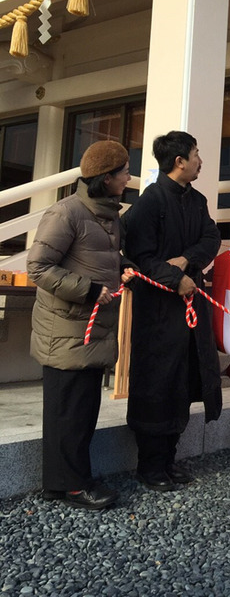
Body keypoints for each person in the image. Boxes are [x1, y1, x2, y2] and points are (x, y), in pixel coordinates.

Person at [28, 140, 131, 510]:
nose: (128, 177)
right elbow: (38, 267)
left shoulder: (106, 214)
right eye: (123, 171)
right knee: (70, 411)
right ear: (106, 178)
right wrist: (88, 290)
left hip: (86, 329)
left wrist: (122, 268)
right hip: (67, 328)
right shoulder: (66, 213)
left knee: (76, 410)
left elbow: (99, 256)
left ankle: (61, 483)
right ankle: (74, 486)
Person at [124, 130, 222, 492]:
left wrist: (187, 260)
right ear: (179, 161)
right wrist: (173, 278)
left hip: (189, 302)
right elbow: (138, 256)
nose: (200, 160)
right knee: (157, 382)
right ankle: (149, 465)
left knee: (182, 379)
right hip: (159, 310)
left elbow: (212, 238)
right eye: (196, 154)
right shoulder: (150, 201)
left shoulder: (196, 200)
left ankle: (169, 458)